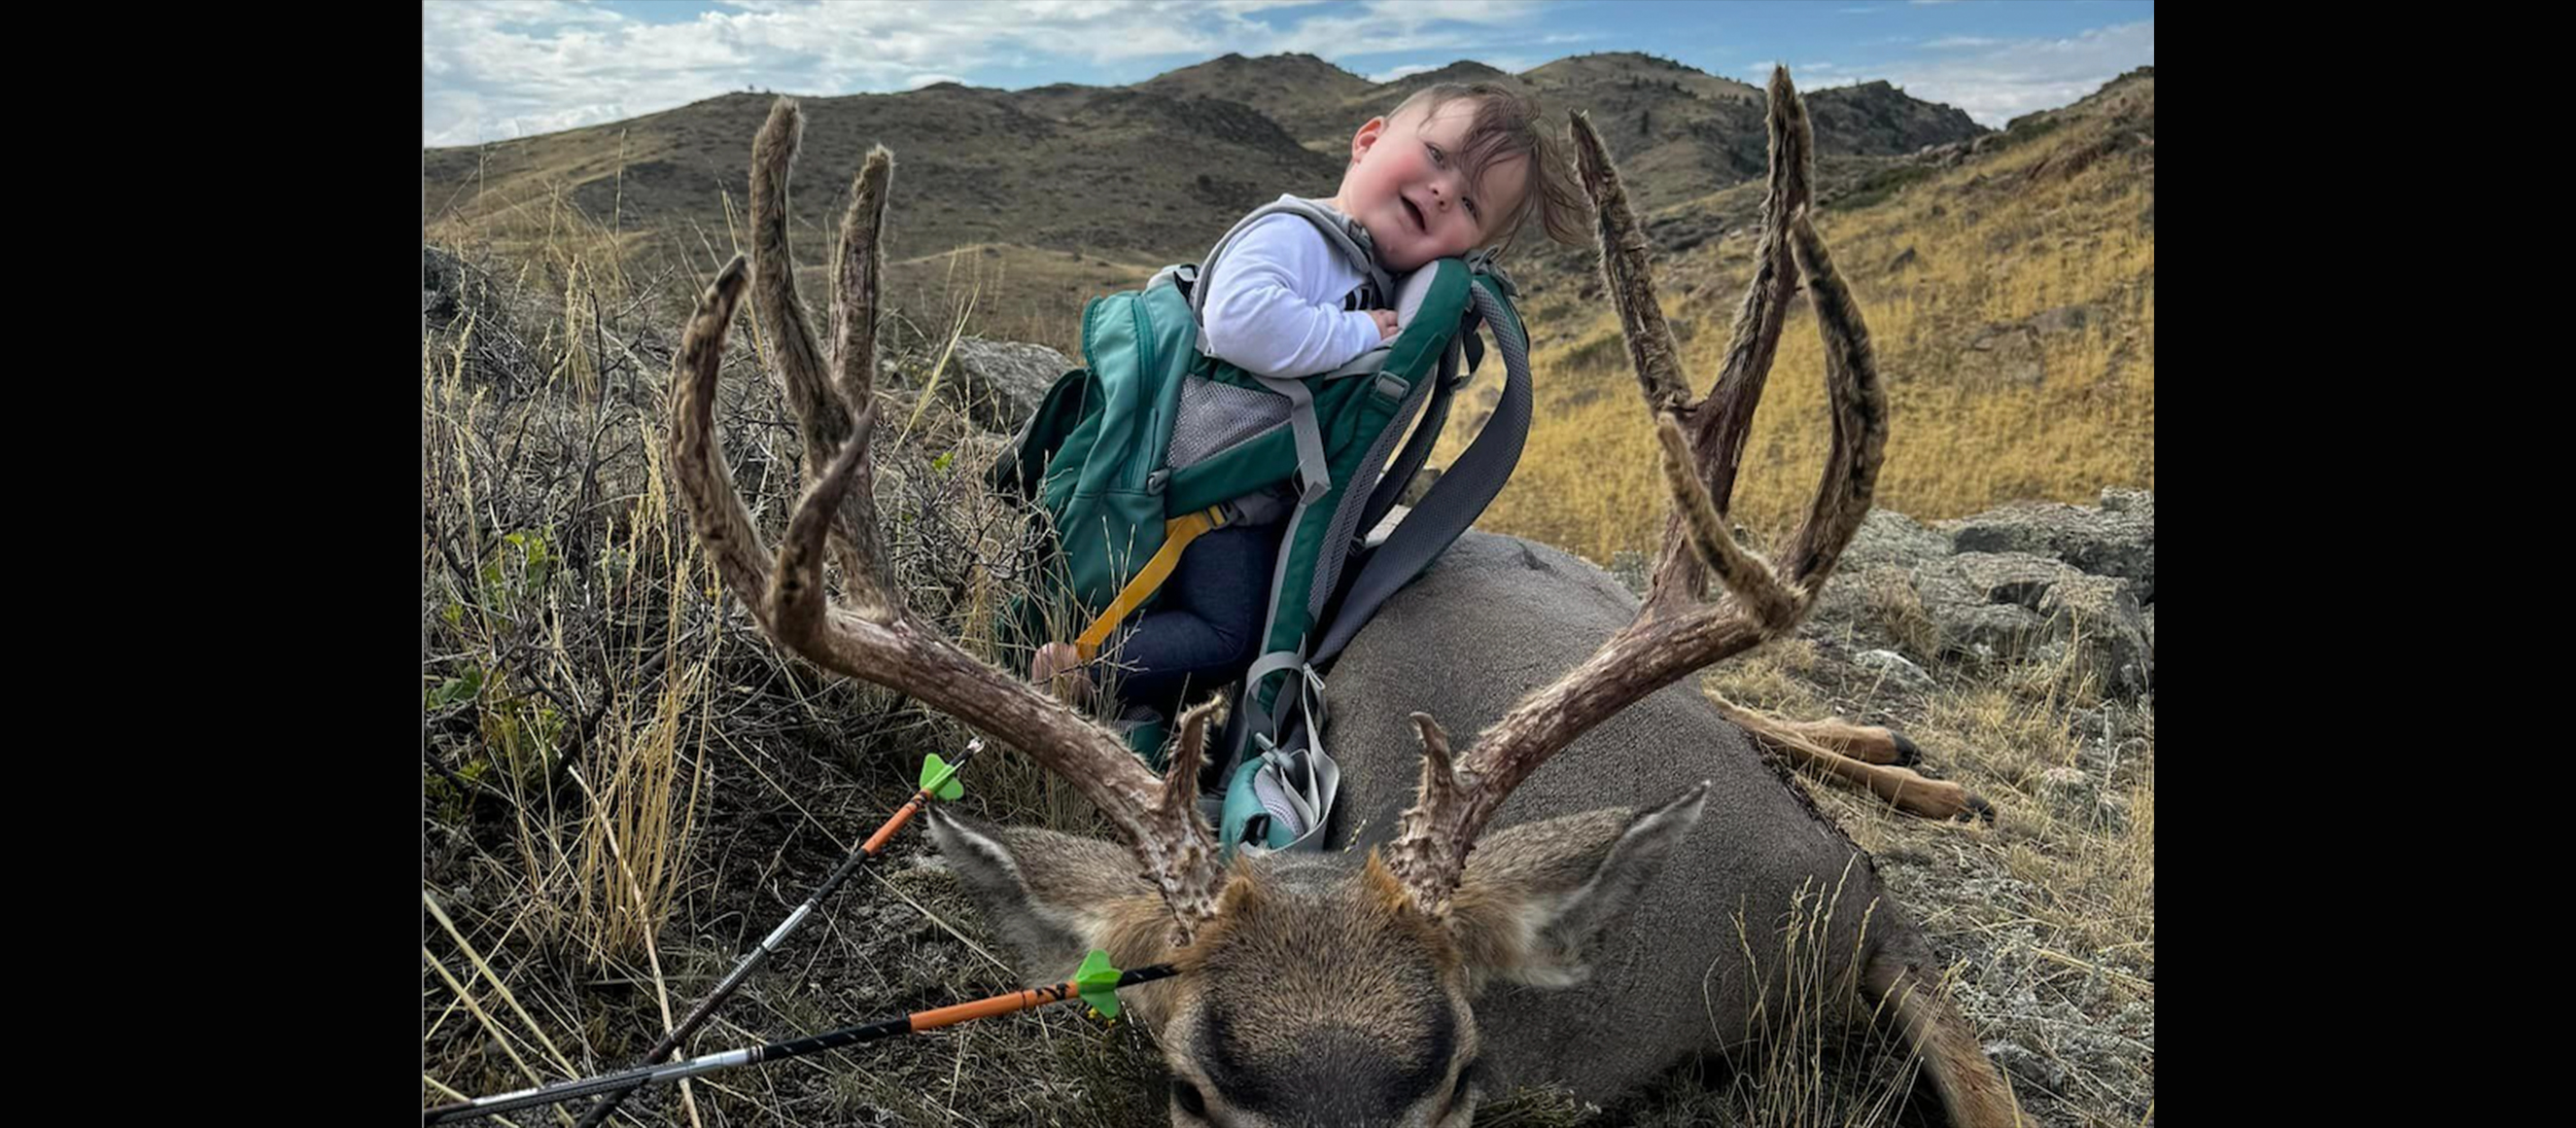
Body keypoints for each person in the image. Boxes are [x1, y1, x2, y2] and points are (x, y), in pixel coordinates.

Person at [1032, 82, 1586, 717]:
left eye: (1469, 203)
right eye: (1437, 156)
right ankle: (1081, 669)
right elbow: (1241, 321)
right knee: (1230, 637)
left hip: (1243, 491)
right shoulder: (1298, 236)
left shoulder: (1367, 265)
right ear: (1368, 141)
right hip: (1204, 495)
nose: (1441, 191)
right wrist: (1357, 332)